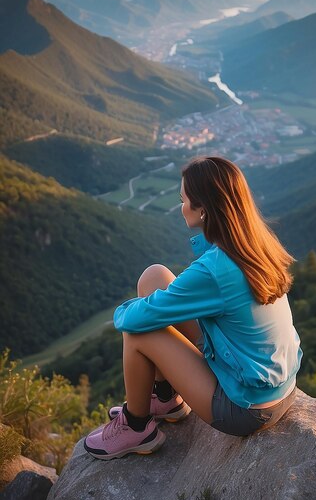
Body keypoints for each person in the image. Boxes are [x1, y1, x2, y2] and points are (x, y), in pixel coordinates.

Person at [84, 156, 302, 460]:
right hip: (276, 386)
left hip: (246, 408)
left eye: (183, 199)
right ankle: (165, 397)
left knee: (137, 334)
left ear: (202, 210)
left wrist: (124, 313)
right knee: (155, 277)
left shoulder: (215, 269)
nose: (181, 206)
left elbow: (133, 320)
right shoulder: (254, 243)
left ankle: (136, 427)